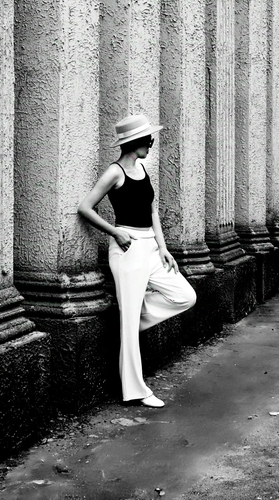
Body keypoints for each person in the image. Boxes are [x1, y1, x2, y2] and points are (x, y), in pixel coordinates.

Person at [77, 114, 196, 408]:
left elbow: (152, 211)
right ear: (135, 142)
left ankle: (128, 321)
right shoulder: (114, 172)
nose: (151, 145)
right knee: (129, 326)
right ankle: (136, 391)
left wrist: (163, 247)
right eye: (149, 140)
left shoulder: (143, 170)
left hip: (151, 249)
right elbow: (85, 207)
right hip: (127, 249)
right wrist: (114, 232)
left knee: (185, 296)